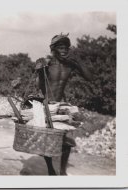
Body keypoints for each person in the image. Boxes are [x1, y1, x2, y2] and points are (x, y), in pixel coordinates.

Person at [35, 33, 93, 175]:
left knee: (66, 142)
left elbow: (90, 77)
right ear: (53, 49)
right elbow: (39, 86)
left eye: (66, 47)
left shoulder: (70, 66)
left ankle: (62, 172)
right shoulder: (47, 64)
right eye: (60, 47)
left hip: (60, 106)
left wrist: (78, 61)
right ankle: (51, 170)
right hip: (47, 105)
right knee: (47, 141)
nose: (64, 50)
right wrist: (40, 72)